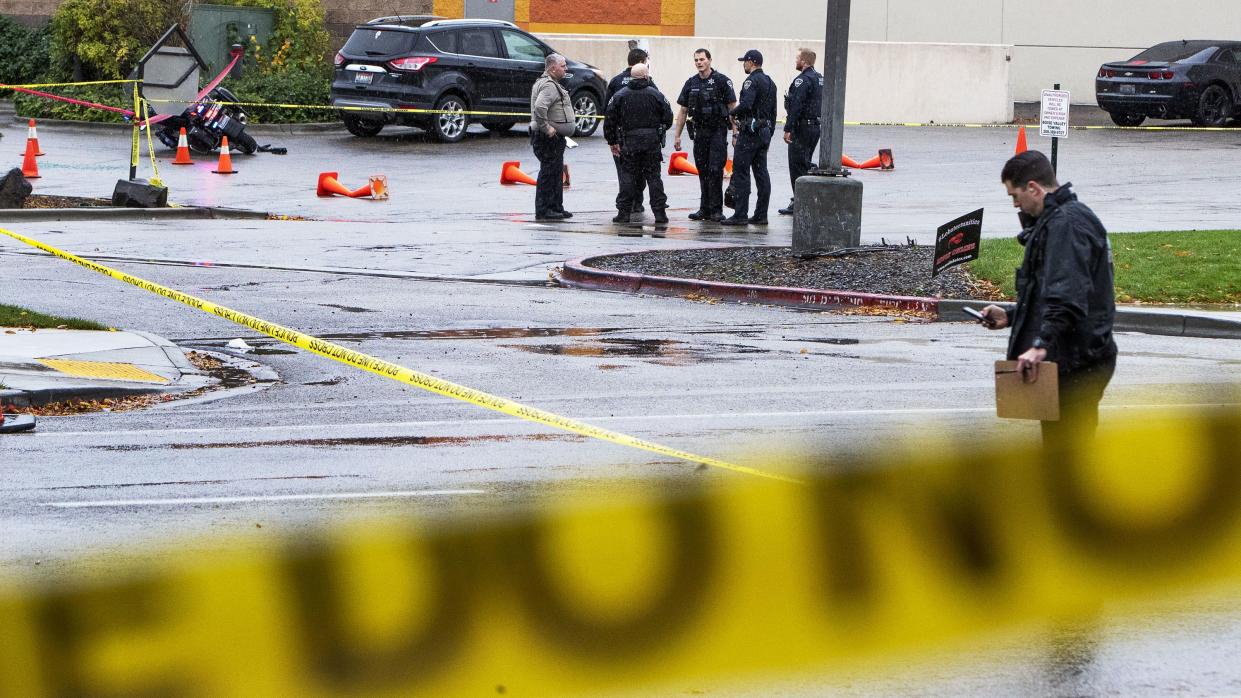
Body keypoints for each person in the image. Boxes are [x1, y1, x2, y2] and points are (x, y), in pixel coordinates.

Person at [980, 150, 1118, 449]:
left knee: (1068, 455)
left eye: (1015, 195)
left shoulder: (1066, 225)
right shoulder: (1062, 220)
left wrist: (1040, 346)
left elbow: (1067, 299)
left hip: (1078, 361)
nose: (1015, 204)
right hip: (1073, 357)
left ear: (1034, 188)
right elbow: (1052, 291)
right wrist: (1011, 316)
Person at [604, 62, 673, 224]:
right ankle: (660, 214)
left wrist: (612, 141)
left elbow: (609, 120)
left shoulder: (620, 95)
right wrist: (657, 130)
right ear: (645, 76)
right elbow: (668, 117)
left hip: (629, 142)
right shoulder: (656, 94)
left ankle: (624, 213)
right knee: (654, 178)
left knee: (628, 177)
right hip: (651, 143)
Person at [672, 48, 736, 222]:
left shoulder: (722, 81)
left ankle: (716, 210)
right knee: (703, 171)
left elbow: (732, 107)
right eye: (696, 60)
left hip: (717, 131)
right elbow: (683, 110)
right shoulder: (691, 83)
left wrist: (735, 132)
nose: (699, 63)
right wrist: (677, 136)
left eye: (702, 59)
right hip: (700, 132)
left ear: (709, 60)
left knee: (715, 170)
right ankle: (704, 209)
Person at [722, 49, 777, 226]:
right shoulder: (770, 82)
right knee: (761, 173)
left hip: (750, 133)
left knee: (741, 172)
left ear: (751, 62)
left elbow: (746, 105)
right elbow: (774, 112)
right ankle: (761, 214)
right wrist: (769, 133)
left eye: (745, 62)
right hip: (764, 132)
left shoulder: (751, 81)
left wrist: (732, 112)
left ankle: (740, 214)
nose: (743, 65)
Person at [606, 48, 652, 215]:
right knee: (642, 171)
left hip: (621, 134)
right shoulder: (648, 82)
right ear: (641, 62)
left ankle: (626, 204)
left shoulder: (615, 81)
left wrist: (611, 139)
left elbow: (608, 111)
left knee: (624, 172)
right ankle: (636, 202)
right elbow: (660, 107)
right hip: (642, 136)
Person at [529, 53, 575, 221]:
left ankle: (555, 207)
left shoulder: (551, 83)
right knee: (549, 173)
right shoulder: (548, 85)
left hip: (554, 138)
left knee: (555, 172)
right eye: (563, 66)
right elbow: (539, 108)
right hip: (547, 138)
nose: (566, 69)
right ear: (553, 68)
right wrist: (547, 128)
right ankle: (544, 210)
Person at [778, 48, 823, 216]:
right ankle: (807, 198)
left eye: (797, 58)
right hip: (815, 127)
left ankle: (800, 201)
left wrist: (788, 128)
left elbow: (796, 106)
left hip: (802, 127)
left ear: (804, 61)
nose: (796, 61)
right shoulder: (820, 79)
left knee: (797, 165)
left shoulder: (802, 80)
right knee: (805, 161)